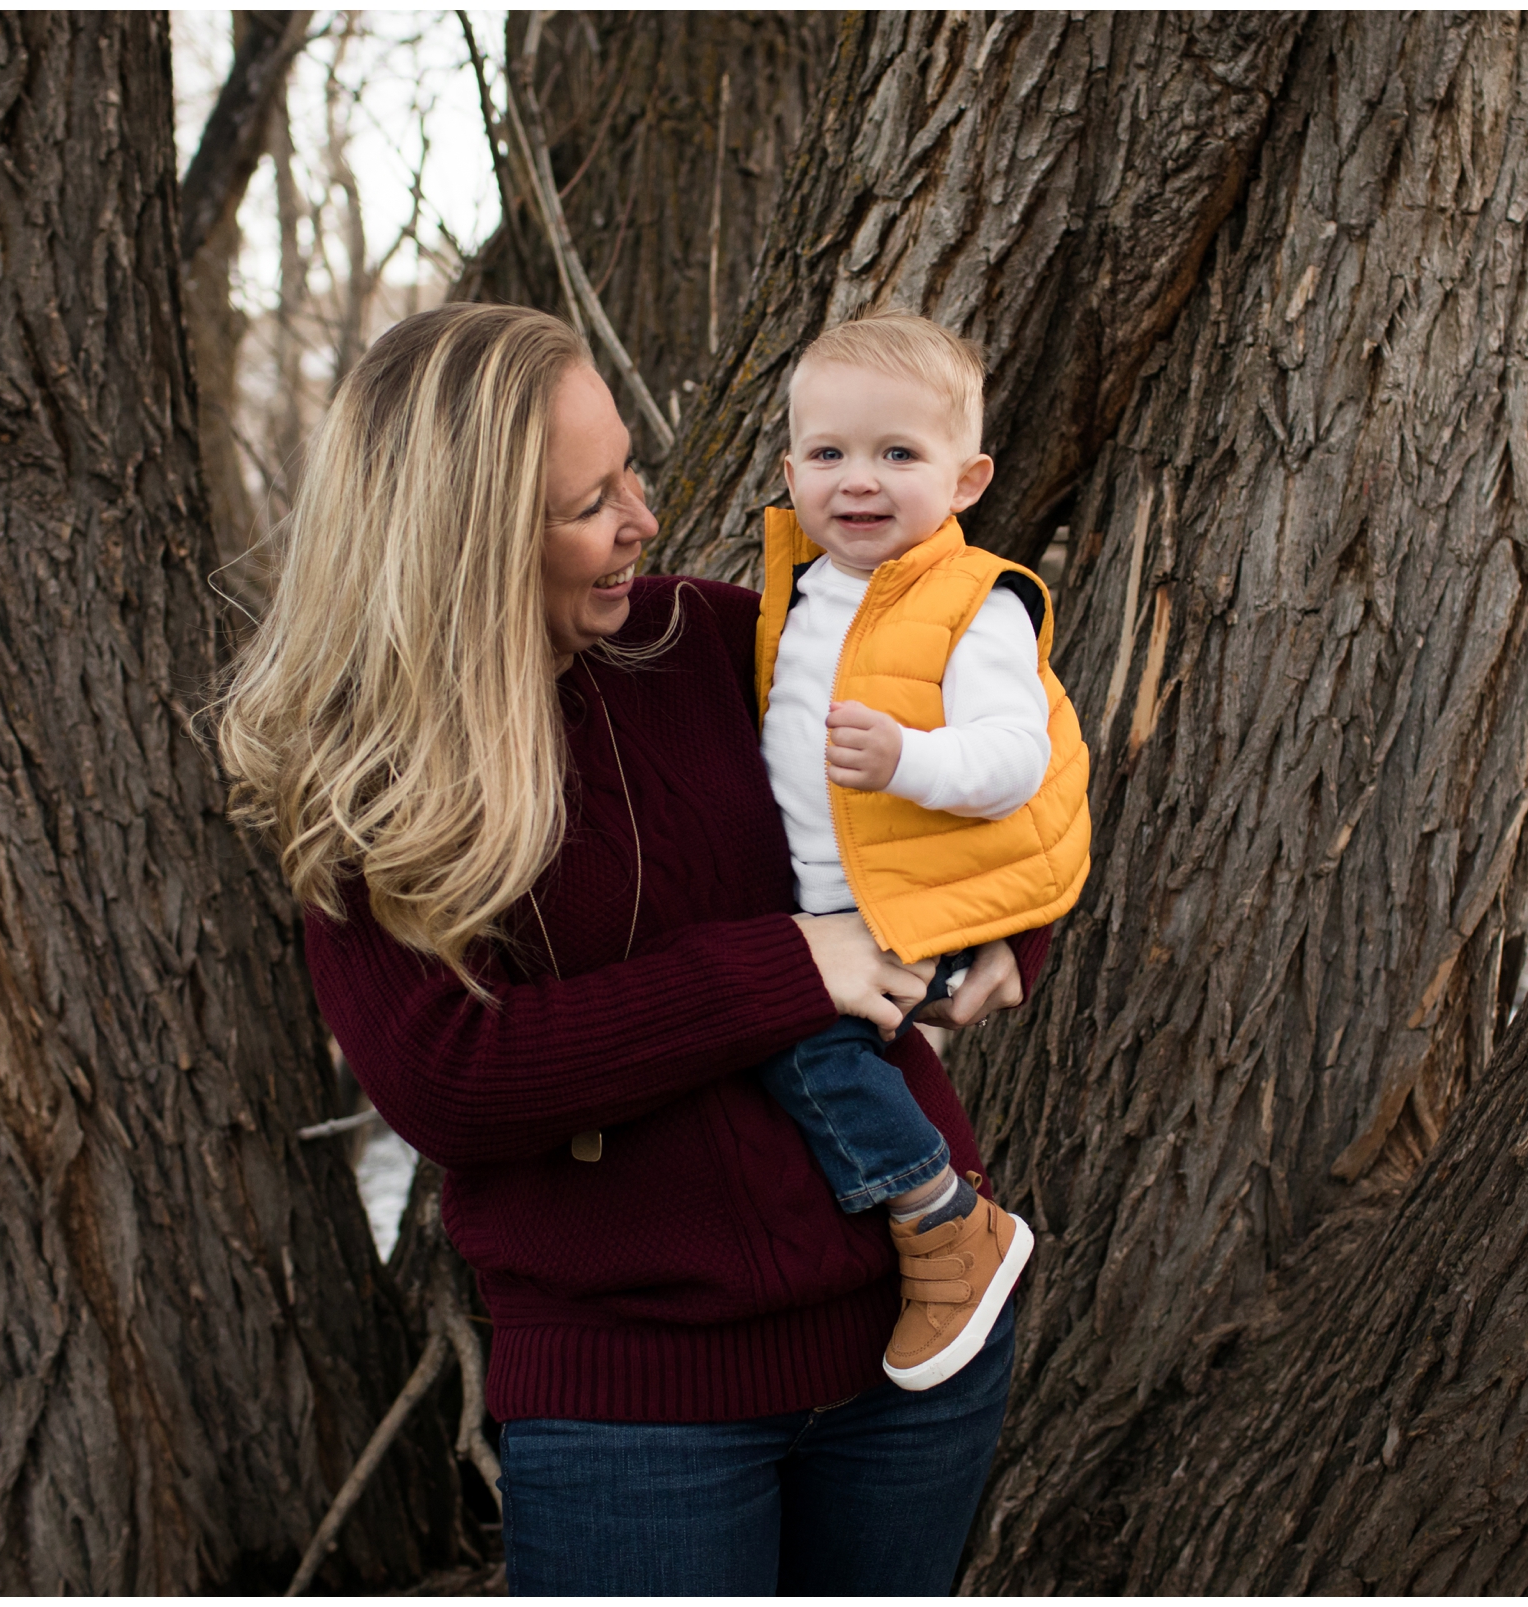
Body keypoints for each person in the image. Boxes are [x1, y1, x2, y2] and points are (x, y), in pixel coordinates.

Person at [213, 302, 1051, 1596]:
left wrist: (1008, 927)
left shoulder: (711, 642)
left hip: (914, 1343)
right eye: (587, 499)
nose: (643, 518)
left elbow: (980, 766)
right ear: (463, 540)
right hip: (636, 1406)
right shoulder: (372, 779)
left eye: (629, 472)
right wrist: (786, 966)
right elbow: (453, 1077)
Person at [750, 313, 1092, 1393]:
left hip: (917, 913)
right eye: (829, 453)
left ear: (966, 478)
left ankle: (945, 1219)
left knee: (797, 1044)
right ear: (791, 467)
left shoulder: (972, 602)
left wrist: (907, 757)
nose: (860, 480)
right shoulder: (798, 594)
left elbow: (1011, 760)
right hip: (833, 911)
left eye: (899, 454)